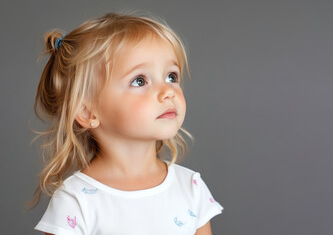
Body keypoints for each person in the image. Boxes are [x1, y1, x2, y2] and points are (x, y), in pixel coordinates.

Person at [31, 12, 224, 235]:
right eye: (139, 80)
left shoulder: (191, 187)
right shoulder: (76, 200)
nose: (167, 92)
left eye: (171, 76)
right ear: (87, 111)